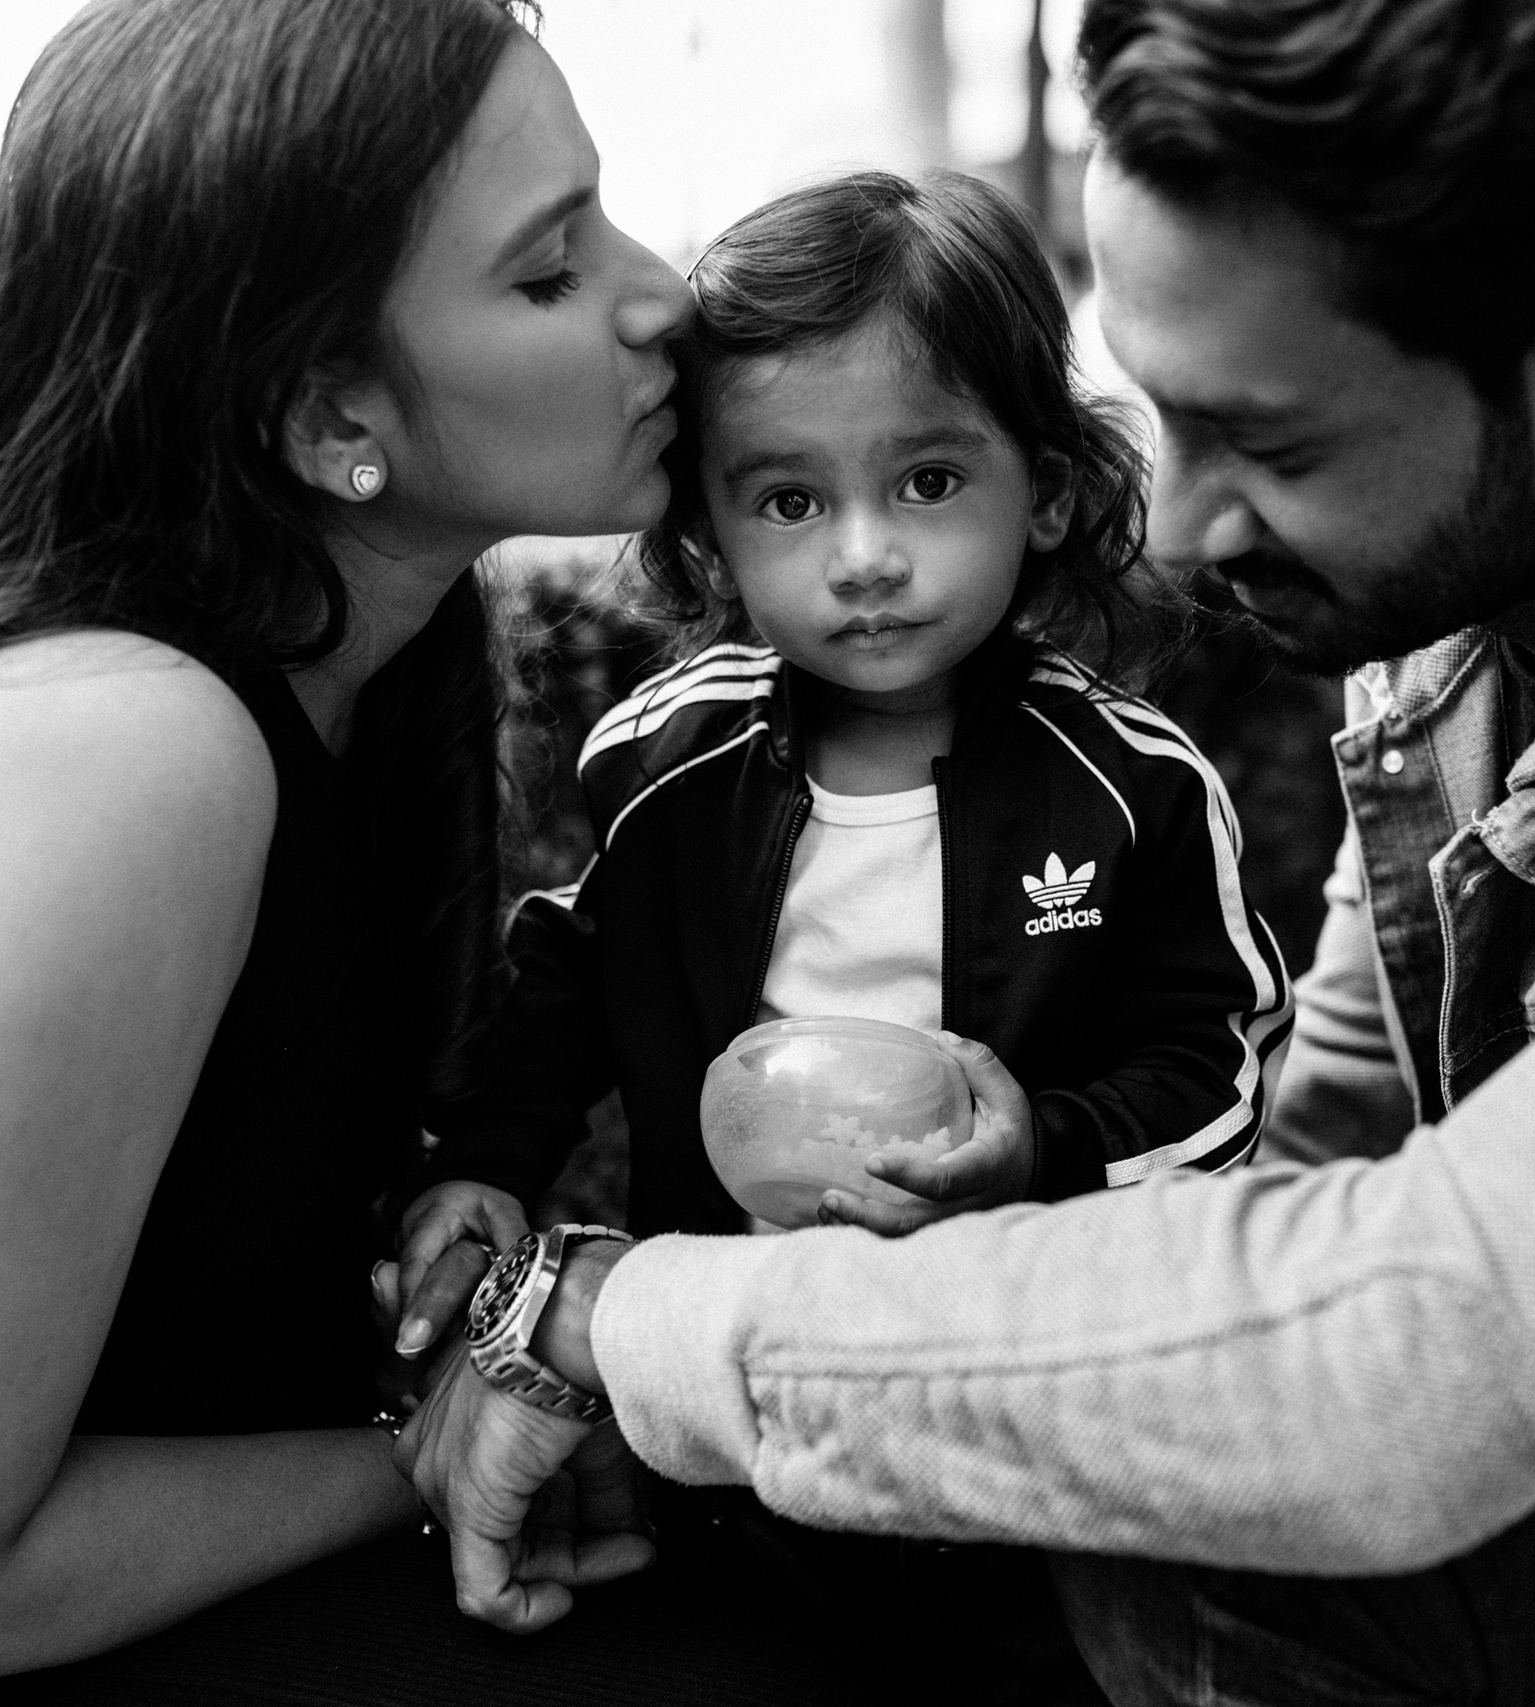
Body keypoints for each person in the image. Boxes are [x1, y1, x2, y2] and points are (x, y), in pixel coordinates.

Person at [400, 1, 1535, 1702]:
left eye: (1267, 440)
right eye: (1161, 401)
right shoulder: (1519, 417)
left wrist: (611, 1320)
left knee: (1200, 1503)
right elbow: (1330, 1158)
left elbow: (1408, 1359)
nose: (1174, 532)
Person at [0, 2, 841, 1701]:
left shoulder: (358, 667)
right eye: (549, 272)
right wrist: (446, 1433)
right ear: (317, 412)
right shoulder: (107, 754)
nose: (667, 295)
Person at [402, 168, 1291, 1702]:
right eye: (791, 499)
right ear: (712, 530)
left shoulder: (1134, 787)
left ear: (1053, 488)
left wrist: (1043, 1148)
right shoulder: (664, 763)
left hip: (1020, 1443)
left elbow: (1219, 1068)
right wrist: (485, 1154)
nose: (863, 555)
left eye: (930, 482)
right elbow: (567, 975)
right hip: (729, 1444)